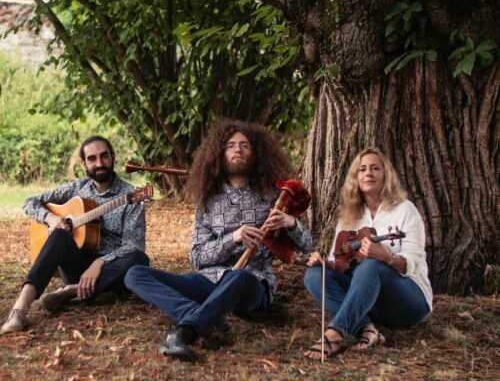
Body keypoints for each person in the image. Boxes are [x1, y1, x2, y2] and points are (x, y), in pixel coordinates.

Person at [124, 119, 312, 359]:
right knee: (135, 274)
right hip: (211, 281)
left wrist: (291, 223)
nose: (237, 150)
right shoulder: (208, 201)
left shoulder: (274, 195)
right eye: (230, 145)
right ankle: (198, 313)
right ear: (219, 154)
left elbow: (308, 246)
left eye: (245, 145)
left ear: (257, 153)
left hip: (252, 284)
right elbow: (197, 258)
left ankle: (185, 331)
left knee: (240, 276)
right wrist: (233, 238)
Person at [1, 136, 149, 335]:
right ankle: (19, 311)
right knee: (60, 234)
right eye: (92, 158)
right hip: (77, 266)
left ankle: (73, 291)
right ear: (84, 163)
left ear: (113, 157)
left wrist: (100, 263)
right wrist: (51, 219)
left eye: (104, 156)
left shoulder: (131, 195)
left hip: (111, 270)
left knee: (139, 258)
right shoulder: (77, 189)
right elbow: (30, 202)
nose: (99, 163)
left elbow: (133, 244)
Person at [304, 147, 432, 359]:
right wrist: (325, 263)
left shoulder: (405, 210)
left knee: (370, 265)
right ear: (356, 178)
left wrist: (388, 257)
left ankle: (335, 333)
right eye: (362, 169)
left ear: (386, 175)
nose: (368, 173)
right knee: (314, 275)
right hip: (366, 303)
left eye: (375, 168)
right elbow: (340, 262)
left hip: (407, 301)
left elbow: (414, 262)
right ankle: (367, 328)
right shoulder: (349, 216)